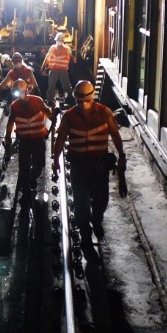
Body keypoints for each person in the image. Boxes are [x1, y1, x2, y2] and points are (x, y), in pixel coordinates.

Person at [52, 80, 125, 244]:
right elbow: (61, 139)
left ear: (92, 96)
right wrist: (56, 160)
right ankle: (85, 232)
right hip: (79, 167)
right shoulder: (69, 116)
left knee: (101, 200)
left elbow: (115, 135)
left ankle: (97, 220)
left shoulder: (105, 113)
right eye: (80, 100)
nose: (83, 103)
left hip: (99, 166)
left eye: (86, 99)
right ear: (75, 98)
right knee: (81, 205)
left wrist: (122, 155)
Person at [4, 79, 54, 204]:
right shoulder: (14, 106)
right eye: (16, 91)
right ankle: (26, 191)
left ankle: (33, 177)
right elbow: (10, 122)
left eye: (20, 91)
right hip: (24, 141)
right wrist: (8, 137)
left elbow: (48, 114)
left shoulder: (37, 101)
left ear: (27, 90)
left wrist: (53, 115)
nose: (18, 94)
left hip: (38, 139)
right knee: (24, 167)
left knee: (39, 165)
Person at [40, 32, 74, 105]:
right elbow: (47, 58)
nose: (59, 41)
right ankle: (49, 100)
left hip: (63, 70)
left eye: (60, 40)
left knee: (66, 85)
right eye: (58, 40)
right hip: (53, 70)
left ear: (63, 41)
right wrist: (43, 66)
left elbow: (71, 59)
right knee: (51, 86)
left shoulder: (67, 49)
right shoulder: (53, 48)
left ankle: (69, 97)